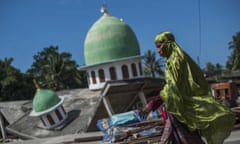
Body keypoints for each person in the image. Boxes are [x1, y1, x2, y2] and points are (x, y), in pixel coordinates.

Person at [141, 31, 235, 144]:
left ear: (168, 44)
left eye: (159, 46)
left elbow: (172, 88)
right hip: (178, 109)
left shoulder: (176, 61)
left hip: (180, 108)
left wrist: (152, 104)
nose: (158, 51)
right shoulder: (173, 60)